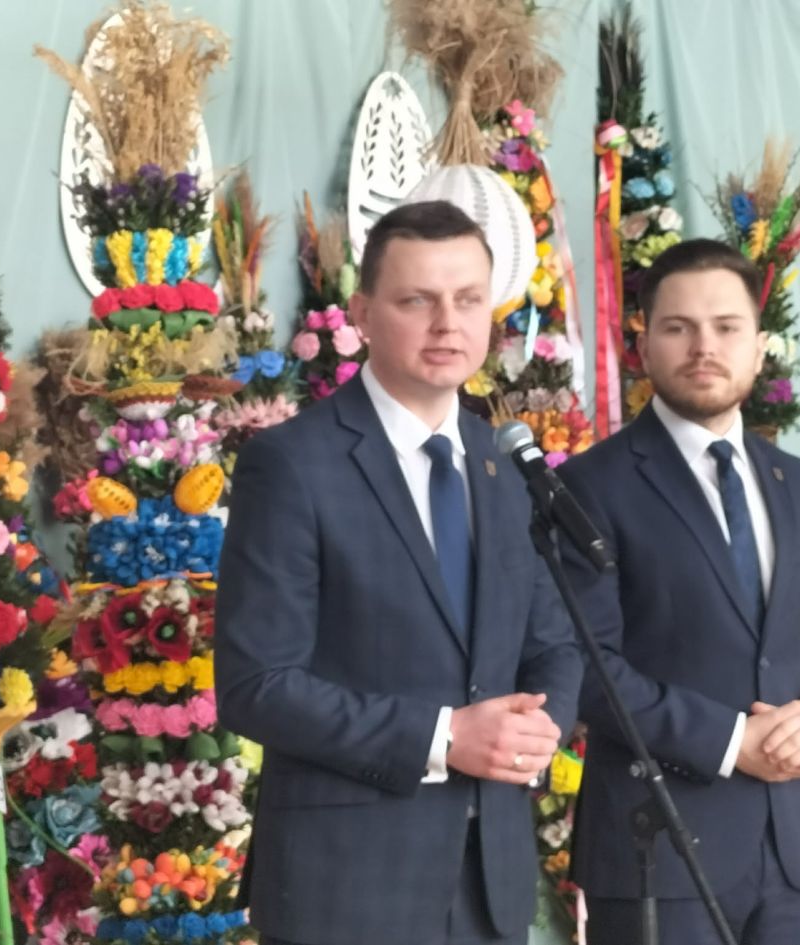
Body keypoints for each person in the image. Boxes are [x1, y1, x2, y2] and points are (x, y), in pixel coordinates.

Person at [214, 200, 582, 945]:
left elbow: (554, 643)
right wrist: (444, 736)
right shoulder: (292, 464)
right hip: (346, 890)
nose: (447, 323)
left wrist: (537, 729)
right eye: (417, 300)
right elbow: (257, 685)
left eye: (468, 299)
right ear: (362, 314)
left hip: (491, 886)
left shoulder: (503, 463)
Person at [556, 238, 800, 944]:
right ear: (643, 345)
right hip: (656, 850)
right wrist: (733, 741)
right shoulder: (586, 487)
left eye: (727, 327)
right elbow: (585, 665)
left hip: (791, 851)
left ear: (759, 346)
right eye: (679, 327)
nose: (704, 346)